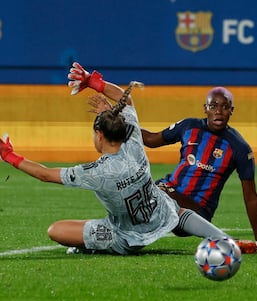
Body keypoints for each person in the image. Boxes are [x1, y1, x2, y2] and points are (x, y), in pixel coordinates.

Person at [0, 64, 229, 255]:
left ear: (99, 136)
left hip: (126, 238)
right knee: (174, 209)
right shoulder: (133, 140)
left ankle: (95, 245)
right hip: (159, 215)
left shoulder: (97, 172)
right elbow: (125, 99)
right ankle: (222, 238)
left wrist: (9, 155)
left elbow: (45, 174)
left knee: (56, 230)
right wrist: (92, 81)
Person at [141, 86, 257, 253]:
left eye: (225, 107)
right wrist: (125, 124)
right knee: (137, 194)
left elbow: (250, 196)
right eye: (213, 106)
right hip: (167, 192)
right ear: (205, 108)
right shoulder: (189, 126)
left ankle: (227, 241)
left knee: (149, 195)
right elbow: (151, 140)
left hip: (197, 210)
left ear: (232, 110)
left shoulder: (240, 148)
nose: (219, 111)